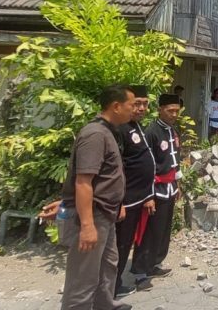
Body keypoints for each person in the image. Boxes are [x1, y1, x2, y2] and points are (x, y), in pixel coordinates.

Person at [60, 84, 135, 310]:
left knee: (108, 265)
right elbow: (83, 182)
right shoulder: (94, 134)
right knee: (83, 277)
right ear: (116, 106)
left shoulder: (108, 131)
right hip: (93, 215)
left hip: (106, 213)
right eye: (131, 105)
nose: (134, 110)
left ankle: (105, 305)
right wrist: (87, 226)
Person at [129, 94, 182, 289]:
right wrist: (148, 196)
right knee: (149, 231)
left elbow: (176, 159)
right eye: (170, 110)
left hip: (169, 188)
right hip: (155, 189)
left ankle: (154, 263)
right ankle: (140, 272)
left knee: (163, 230)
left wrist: (178, 186)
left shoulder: (173, 131)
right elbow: (147, 166)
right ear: (160, 109)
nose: (174, 114)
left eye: (177, 111)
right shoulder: (151, 131)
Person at [114, 86, 156, 297]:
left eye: (145, 104)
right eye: (136, 104)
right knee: (120, 244)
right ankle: (111, 287)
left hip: (140, 197)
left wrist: (148, 195)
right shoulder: (120, 129)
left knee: (128, 241)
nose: (141, 108)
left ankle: (115, 283)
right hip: (126, 200)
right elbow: (117, 167)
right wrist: (119, 201)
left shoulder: (138, 127)